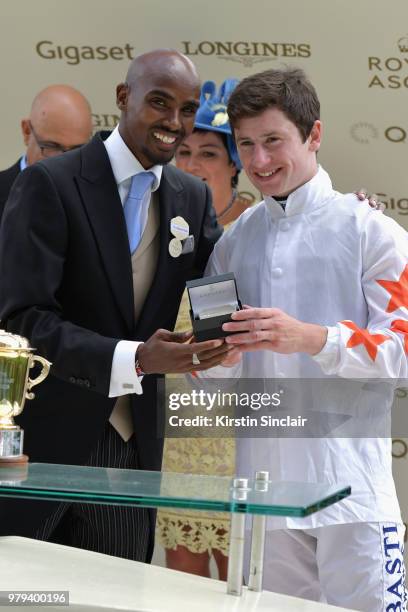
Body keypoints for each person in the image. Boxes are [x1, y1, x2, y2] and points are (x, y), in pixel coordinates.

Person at [0, 49, 233, 563]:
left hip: (133, 449)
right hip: (42, 444)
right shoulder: (49, 183)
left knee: (115, 597)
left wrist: (329, 210)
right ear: (123, 98)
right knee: (25, 596)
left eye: (188, 109)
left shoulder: (190, 199)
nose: (175, 123)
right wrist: (136, 359)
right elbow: (22, 321)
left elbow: (218, 284)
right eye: (159, 102)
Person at [196, 67, 408, 611]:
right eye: (246, 145)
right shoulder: (234, 242)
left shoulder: (371, 231)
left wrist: (314, 338)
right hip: (263, 494)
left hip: (353, 493)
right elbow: (217, 375)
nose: (259, 162)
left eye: (273, 141)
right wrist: (217, 356)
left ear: (313, 135)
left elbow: (402, 349)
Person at [156, 79, 251, 580]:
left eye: (209, 152)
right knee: (181, 580)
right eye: (184, 151)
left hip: (244, 434)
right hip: (179, 434)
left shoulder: (260, 230)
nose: (193, 163)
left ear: (235, 162)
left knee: (248, 575)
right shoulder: (161, 228)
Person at [0, 84, 93, 219]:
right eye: (52, 146)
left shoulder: (99, 200)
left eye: (77, 150)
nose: (64, 162)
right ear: (27, 131)